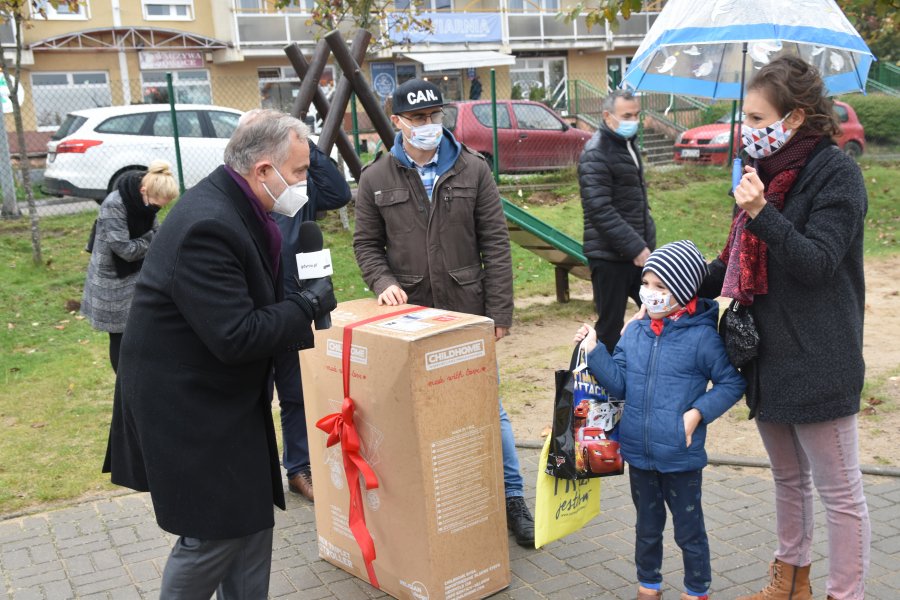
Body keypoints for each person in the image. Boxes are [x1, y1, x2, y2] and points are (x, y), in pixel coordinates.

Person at [102, 109, 338, 599]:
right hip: (189, 406)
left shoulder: (239, 206)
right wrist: (307, 302)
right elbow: (237, 334)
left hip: (224, 394)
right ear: (263, 171)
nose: (304, 183)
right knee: (213, 535)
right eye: (298, 172)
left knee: (251, 520)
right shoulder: (208, 225)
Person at [699, 57, 870, 600]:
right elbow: (734, 265)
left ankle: (845, 593)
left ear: (794, 117)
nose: (748, 129)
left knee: (840, 493)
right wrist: (669, 276)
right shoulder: (762, 170)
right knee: (788, 480)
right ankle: (790, 581)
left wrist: (761, 213)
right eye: (745, 118)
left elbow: (818, 262)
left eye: (756, 117)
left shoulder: (836, 173)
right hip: (766, 354)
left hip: (820, 355)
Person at [353, 78, 535, 548]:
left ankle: (512, 497)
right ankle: (439, 502)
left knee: (487, 406)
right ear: (396, 122)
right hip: (411, 317)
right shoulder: (375, 179)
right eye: (417, 119)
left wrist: (499, 315)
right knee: (421, 412)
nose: (429, 126)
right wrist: (384, 282)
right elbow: (366, 245)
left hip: (468, 312)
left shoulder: (473, 170)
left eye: (434, 117)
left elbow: (495, 244)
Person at [574, 240, 746, 600]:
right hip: (638, 452)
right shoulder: (634, 332)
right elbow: (618, 381)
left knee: (689, 530)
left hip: (680, 456)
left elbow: (732, 382)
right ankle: (648, 585)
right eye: (646, 284)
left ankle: (697, 589)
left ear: (682, 293)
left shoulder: (702, 338)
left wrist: (697, 413)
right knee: (646, 527)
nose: (649, 294)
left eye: (660, 287)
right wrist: (594, 350)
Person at [271, 140, 351, 502]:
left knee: (298, 391)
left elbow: (338, 192)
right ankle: (267, 468)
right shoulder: (247, 197)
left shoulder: (301, 193)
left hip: (302, 303)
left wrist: (310, 149)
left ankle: (300, 468)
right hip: (259, 307)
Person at [81, 161, 178, 373]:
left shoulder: (145, 203)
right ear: (144, 191)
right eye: (155, 206)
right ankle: (123, 385)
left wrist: (152, 239)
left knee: (143, 328)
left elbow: (155, 235)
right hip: (112, 280)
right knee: (120, 335)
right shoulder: (113, 205)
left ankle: (142, 376)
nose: (156, 210)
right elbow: (125, 249)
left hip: (137, 274)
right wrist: (152, 239)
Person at [579, 89, 656, 355]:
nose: (632, 121)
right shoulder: (596, 152)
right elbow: (600, 208)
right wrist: (635, 247)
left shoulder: (627, 145)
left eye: (636, 115)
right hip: (609, 256)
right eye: (626, 115)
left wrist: (648, 241)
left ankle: (640, 369)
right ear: (607, 117)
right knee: (610, 326)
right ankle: (604, 386)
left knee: (657, 309)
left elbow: (635, 201)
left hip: (636, 253)